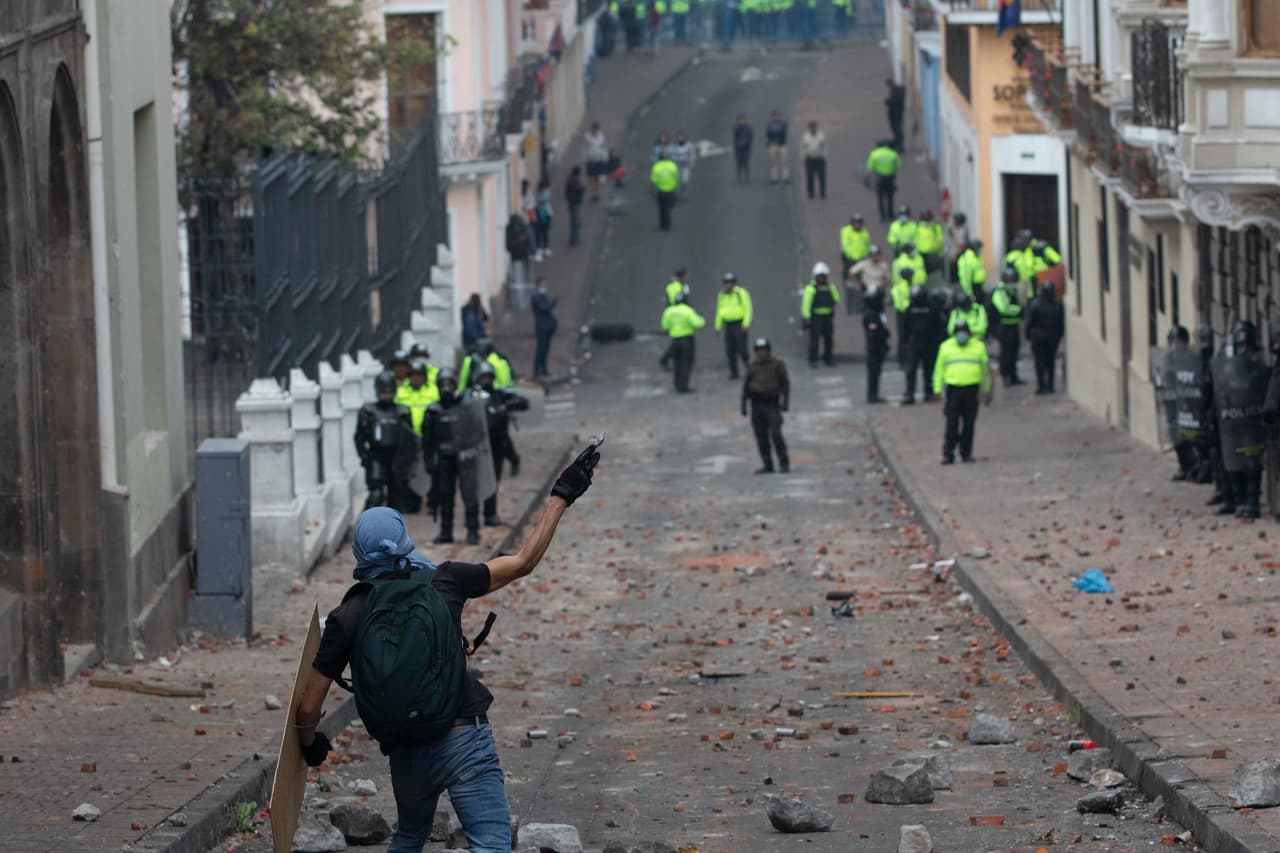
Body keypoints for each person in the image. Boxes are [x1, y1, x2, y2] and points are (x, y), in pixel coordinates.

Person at [294, 447, 600, 853]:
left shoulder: (348, 615)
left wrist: (310, 744)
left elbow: (308, 707)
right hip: (464, 737)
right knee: (490, 843)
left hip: (406, 750)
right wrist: (562, 496)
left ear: (359, 553)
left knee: (409, 836)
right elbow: (523, 562)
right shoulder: (446, 581)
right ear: (404, 540)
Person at [422, 369, 492, 545]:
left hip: (465, 457)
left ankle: (473, 531)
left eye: (449, 384)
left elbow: (478, 431)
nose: (446, 388)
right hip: (444, 458)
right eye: (443, 384)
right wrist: (429, 461)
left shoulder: (466, 407)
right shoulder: (433, 411)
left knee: (469, 494)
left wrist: (471, 449)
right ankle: (446, 532)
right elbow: (427, 440)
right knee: (445, 495)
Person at [1215, 320, 1269, 518]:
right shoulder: (1229, 368)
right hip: (1233, 421)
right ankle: (1239, 501)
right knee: (1233, 463)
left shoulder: (1260, 367)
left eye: (1246, 345)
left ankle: (1252, 501)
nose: (1243, 349)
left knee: (1252, 463)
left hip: (1252, 421)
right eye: (1240, 345)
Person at [472, 362, 530, 527]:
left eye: (488, 377)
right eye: (483, 378)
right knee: (474, 483)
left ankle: (490, 514)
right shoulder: (473, 397)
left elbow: (523, 402)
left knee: (492, 481)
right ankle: (473, 517)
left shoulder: (500, 395)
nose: (486, 381)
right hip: (478, 446)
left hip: (498, 445)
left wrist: (505, 406)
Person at [356, 372, 419, 512]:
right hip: (376, 456)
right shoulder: (369, 411)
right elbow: (359, 437)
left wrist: (409, 462)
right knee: (376, 495)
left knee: (396, 497)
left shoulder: (402, 411)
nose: (386, 396)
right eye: (383, 393)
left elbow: (410, 439)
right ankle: (369, 523)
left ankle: (391, 524)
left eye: (389, 393)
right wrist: (364, 456)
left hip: (397, 457)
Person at [933, 318, 992, 464]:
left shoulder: (978, 347)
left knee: (969, 423)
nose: (961, 335)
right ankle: (948, 454)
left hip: (971, 390)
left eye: (964, 332)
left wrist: (987, 389)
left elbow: (985, 370)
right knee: (951, 423)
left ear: (969, 333)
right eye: (959, 332)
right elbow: (939, 370)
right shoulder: (946, 347)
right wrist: (937, 389)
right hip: (953, 390)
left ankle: (966, 453)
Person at [741, 337, 790, 474]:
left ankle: (784, 463)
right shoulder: (752, 367)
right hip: (757, 405)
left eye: (764, 350)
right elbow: (746, 387)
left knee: (776, 434)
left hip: (772, 404)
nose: (761, 353)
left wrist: (785, 402)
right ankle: (767, 464)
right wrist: (743, 405)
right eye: (759, 350)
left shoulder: (777, 365)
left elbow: (785, 384)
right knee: (761, 437)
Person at [901, 286, 939, 405]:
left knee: (929, 370)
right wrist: (905, 342)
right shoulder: (910, 308)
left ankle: (928, 393)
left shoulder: (931, 307)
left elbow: (938, 325)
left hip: (928, 342)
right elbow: (905, 326)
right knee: (911, 370)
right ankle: (909, 393)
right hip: (914, 343)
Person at [661, 292, 705, 393]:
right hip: (687, 339)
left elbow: (665, 325)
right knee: (686, 363)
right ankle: (683, 385)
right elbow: (697, 323)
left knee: (677, 363)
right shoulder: (687, 310)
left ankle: (677, 384)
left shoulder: (669, 311)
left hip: (675, 340)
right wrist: (702, 320)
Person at [1026, 280, 1064, 394]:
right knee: (1050, 361)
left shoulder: (1036, 304)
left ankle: (1042, 386)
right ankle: (1050, 386)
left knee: (1040, 362)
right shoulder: (1057, 305)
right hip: (1051, 338)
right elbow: (1060, 324)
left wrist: (1028, 335)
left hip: (1039, 338)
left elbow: (1030, 322)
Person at [715, 273, 754, 379]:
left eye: (730, 283)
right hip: (728, 324)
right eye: (726, 283)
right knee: (730, 350)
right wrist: (718, 326)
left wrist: (746, 323)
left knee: (742, 349)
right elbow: (719, 311)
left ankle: (749, 369)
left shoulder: (741, 293)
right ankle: (734, 372)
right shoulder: (722, 295)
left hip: (739, 324)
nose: (728, 285)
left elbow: (748, 308)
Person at [801, 262, 840, 367]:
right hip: (816, 317)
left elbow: (836, 298)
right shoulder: (811, 288)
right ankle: (813, 359)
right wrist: (806, 317)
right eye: (820, 276)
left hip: (828, 316)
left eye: (823, 276)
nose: (822, 279)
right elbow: (806, 304)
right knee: (815, 339)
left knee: (829, 339)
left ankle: (828, 358)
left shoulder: (830, 287)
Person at [991, 265, 1024, 386]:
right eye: (1009, 280)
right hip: (1005, 328)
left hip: (1014, 326)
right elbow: (1004, 308)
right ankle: (1004, 376)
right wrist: (1019, 310)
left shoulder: (1012, 292)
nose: (1011, 283)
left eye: (1013, 280)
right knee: (1006, 353)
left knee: (1014, 352)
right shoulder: (1000, 292)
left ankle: (1013, 376)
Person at [396, 358, 441, 438]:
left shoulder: (434, 391)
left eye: (420, 376)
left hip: (429, 434)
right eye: (413, 376)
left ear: (425, 377)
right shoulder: (400, 392)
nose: (416, 379)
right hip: (407, 435)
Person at [863, 282, 891, 404]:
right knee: (874, 372)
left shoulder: (877, 313)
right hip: (874, 348)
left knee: (877, 372)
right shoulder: (871, 314)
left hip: (879, 346)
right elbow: (874, 333)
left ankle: (874, 394)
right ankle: (872, 395)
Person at [867, 140, 901, 223]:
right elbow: (898, 165)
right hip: (890, 178)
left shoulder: (874, 154)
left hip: (879, 178)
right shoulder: (893, 154)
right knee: (890, 197)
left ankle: (882, 216)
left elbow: (870, 167)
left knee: (880, 198)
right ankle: (890, 214)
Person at [531, 277, 557, 378]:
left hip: (547, 326)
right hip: (542, 327)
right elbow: (545, 308)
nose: (545, 286)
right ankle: (537, 371)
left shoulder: (543, 296)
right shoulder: (536, 297)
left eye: (545, 284)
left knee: (545, 349)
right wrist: (553, 302)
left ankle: (544, 370)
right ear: (538, 285)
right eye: (543, 284)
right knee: (540, 349)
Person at [651, 151, 680, 231]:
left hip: (661, 191)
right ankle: (667, 224)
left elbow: (654, 180)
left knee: (661, 208)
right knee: (668, 208)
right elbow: (677, 178)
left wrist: (652, 191)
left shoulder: (656, 166)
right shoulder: (673, 165)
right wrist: (676, 188)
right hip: (671, 190)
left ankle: (662, 224)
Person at [799, 120, 828, 200]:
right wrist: (803, 156)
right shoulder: (805, 137)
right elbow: (803, 147)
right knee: (810, 177)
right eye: (811, 128)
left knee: (822, 176)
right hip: (809, 159)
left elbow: (825, 146)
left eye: (814, 127)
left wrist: (824, 155)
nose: (813, 129)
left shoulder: (821, 136)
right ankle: (811, 193)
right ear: (809, 128)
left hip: (820, 159)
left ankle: (822, 193)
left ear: (817, 128)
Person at [839, 213, 871, 283]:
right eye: (856, 222)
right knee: (848, 274)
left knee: (861, 275)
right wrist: (852, 257)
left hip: (860, 258)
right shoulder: (846, 231)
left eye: (859, 223)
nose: (857, 224)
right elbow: (845, 245)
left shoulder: (865, 233)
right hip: (849, 258)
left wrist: (863, 256)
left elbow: (867, 246)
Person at [505, 213, 533, 289]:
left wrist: (530, 249)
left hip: (524, 255)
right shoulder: (509, 230)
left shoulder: (523, 228)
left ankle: (526, 286)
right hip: (515, 256)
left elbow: (529, 241)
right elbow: (508, 245)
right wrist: (519, 240)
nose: (516, 227)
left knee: (526, 275)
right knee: (517, 275)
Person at [955, 239, 987, 303]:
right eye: (980, 249)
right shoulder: (967, 259)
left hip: (979, 287)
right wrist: (969, 293)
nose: (981, 251)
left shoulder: (976, 257)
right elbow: (965, 278)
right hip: (973, 288)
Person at [584, 121, 609, 201]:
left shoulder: (601, 137)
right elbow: (584, 149)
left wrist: (605, 158)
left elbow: (604, 147)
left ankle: (596, 194)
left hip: (599, 160)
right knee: (592, 178)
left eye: (596, 129)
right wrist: (585, 159)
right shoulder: (587, 137)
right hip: (591, 160)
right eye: (593, 128)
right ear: (591, 128)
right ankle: (591, 194)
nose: (595, 130)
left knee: (597, 178)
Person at [915, 209, 944, 275]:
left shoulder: (935, 228)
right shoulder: (917, 228)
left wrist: (939, 253)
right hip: (921, 256)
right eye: (924, 219)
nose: (926, 222)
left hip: (934, 256)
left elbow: (941, 241)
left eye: (928, 219)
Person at [532, 177, 553, 260]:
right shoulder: (537, 193)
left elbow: (543, 200)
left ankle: (545, 247)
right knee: (538, 233)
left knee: (545, 232)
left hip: (545, 215)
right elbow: (540, 201)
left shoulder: (546, 192)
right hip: (539, 215)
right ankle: (539, 248)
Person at [946, 213, 970, 283]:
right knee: (952, 270)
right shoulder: (951, 228)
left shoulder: (964, 229)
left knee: (959, 270)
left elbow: (964, 243)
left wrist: (961, 250)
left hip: (960, 253)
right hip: (952, 253)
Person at [671, 131, 697, 196]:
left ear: (685, 138)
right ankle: (675, 193)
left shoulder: (690, 146)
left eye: (682, 137)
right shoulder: (674, 146)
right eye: (679, 137)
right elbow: (672, 156)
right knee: (676, 180)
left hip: (686, 166)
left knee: (684, 181)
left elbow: (692, 156)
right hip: (677, 165)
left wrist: (692, 164)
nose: (680, 139)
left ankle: (683, 191)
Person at [765, 110, 788, 184]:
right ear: (772, 117)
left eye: (778, 116)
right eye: (774, 116)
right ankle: (774, 177)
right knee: (773, 162)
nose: (776, 118)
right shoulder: (769, 125)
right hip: (773, 144)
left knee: (784, 162)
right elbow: (768, 134)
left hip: (782, 144)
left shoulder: (783, 124)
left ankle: (785, 177)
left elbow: (783, 130)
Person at [564, 167, 585, 247]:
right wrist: (582, 189)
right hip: (575, 203)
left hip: (572, 203)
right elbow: (579, 190)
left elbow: (566, 192)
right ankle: (574, 239)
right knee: (575, 222)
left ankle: (575, 239)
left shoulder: (570, 180)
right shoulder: (574, 181)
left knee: (575, 221)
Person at [885, 78, 906, 152]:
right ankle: (898, 144)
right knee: (895, 130)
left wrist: (889, 102)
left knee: (897, 130)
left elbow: (897, 102)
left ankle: (900, 145)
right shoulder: (895, 91)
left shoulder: (898, 91)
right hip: (894, 114)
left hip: (896, 114)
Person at [733, 114, 754, 183]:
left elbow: (751, 137)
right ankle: (739, 177)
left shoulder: (748, 128)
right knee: (739, 163)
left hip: (746, 148)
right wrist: (739, 127)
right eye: (740, 120)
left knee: (746, 163)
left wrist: (746, 143)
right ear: (737, 121)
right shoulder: (736, 127)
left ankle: (747, 177)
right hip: (738, 148)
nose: (742, 121)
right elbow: (735, 134)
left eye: (743, 120)